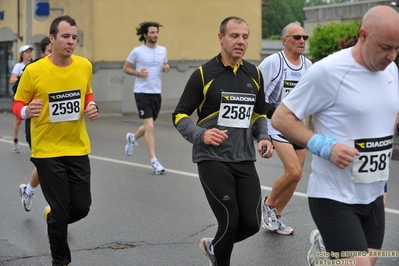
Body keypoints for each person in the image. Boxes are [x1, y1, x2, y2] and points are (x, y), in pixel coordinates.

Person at [271, 6, 399, 266]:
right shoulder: (329, 71)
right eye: (386, 47)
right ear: (363, 35)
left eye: (397, 48)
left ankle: (324, 256)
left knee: (368, 262)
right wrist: (324, 146)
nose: (391, 55)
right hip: (334, 197)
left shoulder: (391, 70)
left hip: (374, 195)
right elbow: (281, 118)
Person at [172, 16, 273, 266]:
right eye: (234, 36)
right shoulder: (204, 74)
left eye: (245, 37)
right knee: (229, 221)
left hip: (244, 157)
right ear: (221, 38)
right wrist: (201, 134)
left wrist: (263, 137)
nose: (241, 41)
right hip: (212, 158)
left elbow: (259, 114)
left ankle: (214, 247)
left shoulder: (254, 73)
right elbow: (180, 114)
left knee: (251, 224)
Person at [12, 15, 98, 266]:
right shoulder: (34, 70)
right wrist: (27, 111)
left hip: (77, 146)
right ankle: (60, 261)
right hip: (47, 150)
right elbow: (17, 104)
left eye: (74, 37)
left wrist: (91, 106)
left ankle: (54, 219)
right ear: (52, 38)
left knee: (81, 208)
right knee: (60, 211)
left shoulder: (84, 66)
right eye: (65, 36)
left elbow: (87, 93)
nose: (71, 42)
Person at [258, 22, 312, 235]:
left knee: (296, 176)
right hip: (276, 124)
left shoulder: (308, 65)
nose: (301, 41)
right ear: (284, 40)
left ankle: (277, 215)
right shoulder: (274, 62)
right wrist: (266, 121)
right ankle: (269, 205)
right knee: (294, 171)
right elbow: (257, 93)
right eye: (297, 37)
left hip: (298, 126)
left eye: (304, 37)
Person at [122, 21, 170, 175]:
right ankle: (154, 161)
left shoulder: (163, 50)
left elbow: (165, 65)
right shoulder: (137, 51)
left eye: (156, 32)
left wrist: (166, 67)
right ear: (145, 35)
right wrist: (138, 73)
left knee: (149, 126)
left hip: (156, 93)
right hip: (142, 92)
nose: (155, 35)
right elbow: (126, 68)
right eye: (152, 33)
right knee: (150, 127)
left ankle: (132, 138)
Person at [17, 37, 52, 212]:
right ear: (43, 53)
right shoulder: (32, 69)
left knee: (53, 166)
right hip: (37, 126)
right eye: (50, 51)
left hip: (60, 128)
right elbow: (18, 93)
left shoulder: (67, 66)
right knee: (47, 167)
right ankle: (58, 212)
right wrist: (29, 106)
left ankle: (28, 190)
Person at [9, 44, 33, 153]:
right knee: (19, 120)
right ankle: (15, 141)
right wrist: (23, 77)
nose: (29, 54)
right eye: (27, 52)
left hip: (31, 96)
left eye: (30, 51)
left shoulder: (34, 65)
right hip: (21, 95)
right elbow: (12, 80)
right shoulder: (19, 66)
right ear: (22, 54)